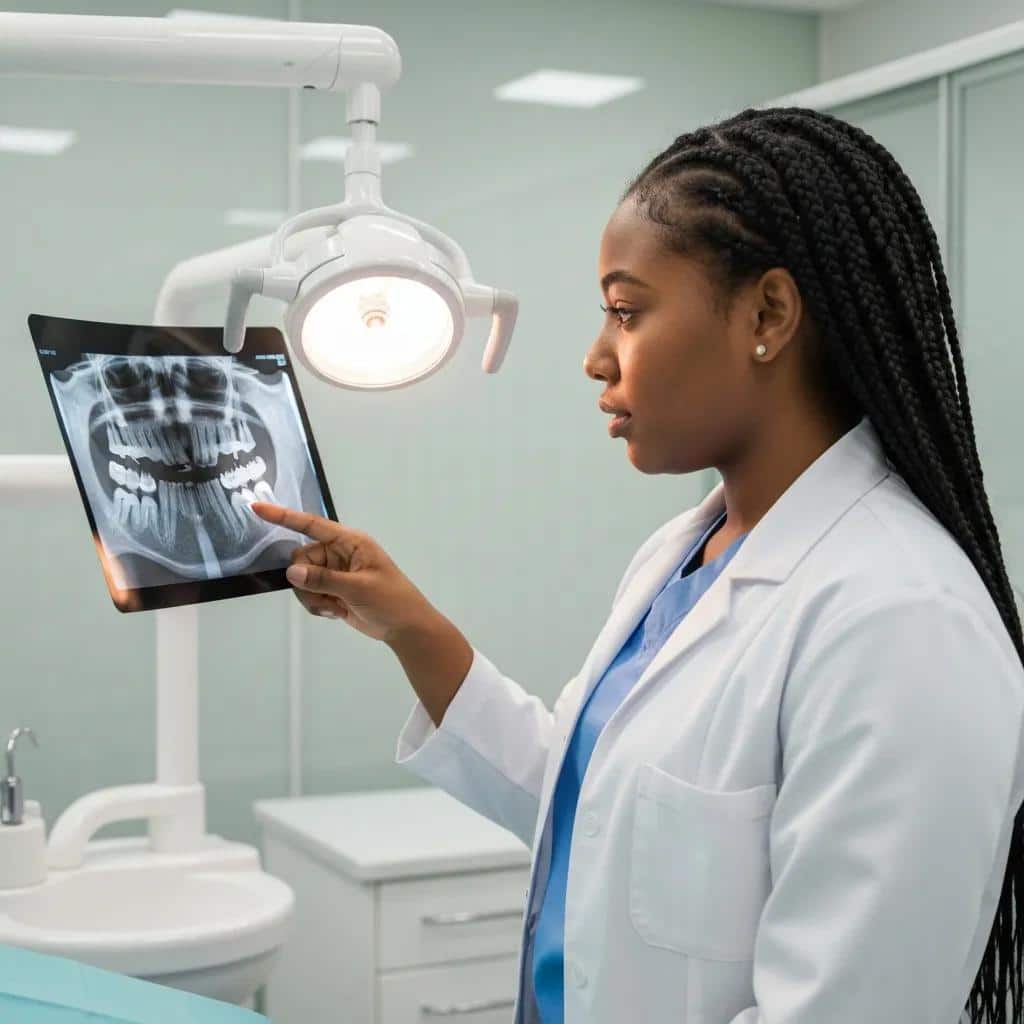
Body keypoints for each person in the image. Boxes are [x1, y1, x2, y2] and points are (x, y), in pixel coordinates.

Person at [251, 105, 1024, 1024]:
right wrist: (410, 627)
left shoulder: (903, 624)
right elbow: (601, 808)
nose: (594, 356)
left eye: (627, 310)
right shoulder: (686, 551)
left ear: (768, 314)